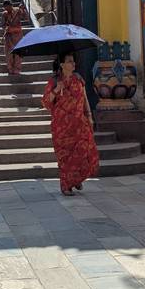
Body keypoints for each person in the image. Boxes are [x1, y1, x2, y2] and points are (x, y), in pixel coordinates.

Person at [42, 52, 99, 196]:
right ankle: (66, 185)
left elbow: (85, 98)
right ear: (62, 65)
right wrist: (56, 90)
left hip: (79, 123)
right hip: (62, 127)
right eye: (69, 61)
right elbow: (46, 103)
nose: (73, 64)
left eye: (73, 61)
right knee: (66, 157)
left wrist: (89, 116)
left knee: (84, 150)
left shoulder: (78, 79)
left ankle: (77, 178)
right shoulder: (54, 81)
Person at [2, 0, 27, 75]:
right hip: (9, 36)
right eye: (5, 8)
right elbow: (3, 25)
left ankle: (17, 69)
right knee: (8, 53)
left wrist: (23, 9)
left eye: (7, 7)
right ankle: (10, 68)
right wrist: (6, 28)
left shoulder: (17, 11)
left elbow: (25, 17)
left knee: (18, 53)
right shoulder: (4, 14)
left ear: (11, 5)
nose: (6, 9)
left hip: (18, 34)